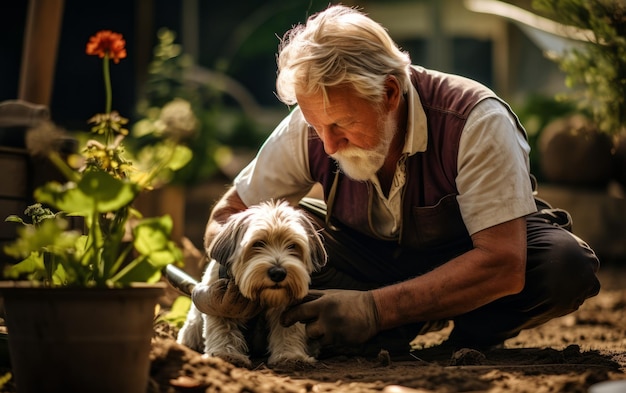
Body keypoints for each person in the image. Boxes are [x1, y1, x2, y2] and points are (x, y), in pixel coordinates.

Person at [189, 4, 600, 357]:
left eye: (343, 124)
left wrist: (376, 310)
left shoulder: (475, 121)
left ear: (389, 93)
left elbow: (503, 263)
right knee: (286, 242)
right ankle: (369, 332)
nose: (329, 145)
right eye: (318, 127)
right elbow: (228, 215)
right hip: (368, 258)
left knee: (563, 266)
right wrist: (222, 282)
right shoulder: (315, 119)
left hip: (468, 262)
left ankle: (466, 336)